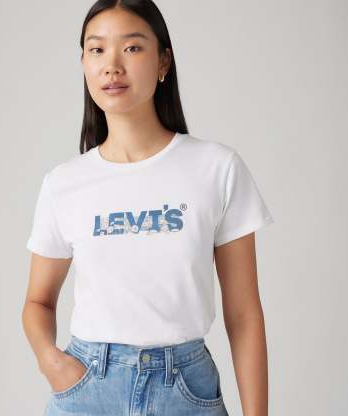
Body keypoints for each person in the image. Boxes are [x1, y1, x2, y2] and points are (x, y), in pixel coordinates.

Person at [22, 1, 274, 415]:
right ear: (84, 64)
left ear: (163, 62)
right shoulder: (64, 183)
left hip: (185, 390)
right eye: (97, 49)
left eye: (132, 48)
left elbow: (244, 314)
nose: (112, 66)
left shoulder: (216, 168)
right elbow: (37, 302)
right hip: (87, 390)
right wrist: (53, 364)